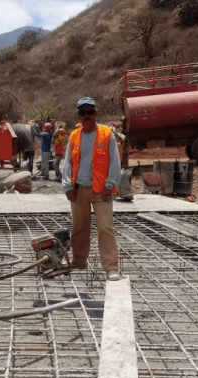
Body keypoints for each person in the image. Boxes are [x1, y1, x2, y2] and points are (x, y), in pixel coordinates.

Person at [62, 97, 122, 281]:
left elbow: (115, 162)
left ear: (95, 114)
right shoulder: (74, 136)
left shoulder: (106, 134)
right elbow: (68, 164)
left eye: (90, 112)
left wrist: (110, 185)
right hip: (79, 190)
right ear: (79, 116)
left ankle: (111, 267)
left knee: (105, 227)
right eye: (83, 113)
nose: (87, 116)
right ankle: (79, 260)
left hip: (101, 191)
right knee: (79, 227)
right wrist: (68, 187)